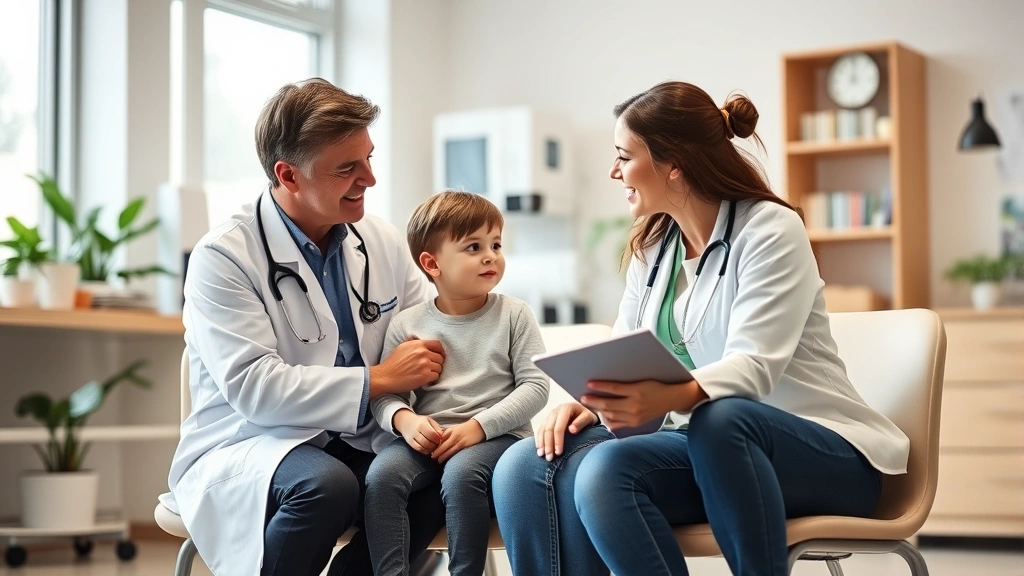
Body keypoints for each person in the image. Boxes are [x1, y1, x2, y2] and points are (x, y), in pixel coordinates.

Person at [492, 81, 910, 576]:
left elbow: (754, 368)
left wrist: (669, 396)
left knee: (717, 420)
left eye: (624, 156)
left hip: (819, 452)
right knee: (527, 467)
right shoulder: (652, 250)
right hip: (697, 447)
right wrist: (589, 403)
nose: (613, 171)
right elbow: (625, 359)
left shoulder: (769, 229)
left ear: (674, 164)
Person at [161, 78, 447, 576]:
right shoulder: (224, 256)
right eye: (347, 168)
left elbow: (428, 333)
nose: (370, 180)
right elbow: (256, 388)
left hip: (368, 433)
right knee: (326, 486)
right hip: (257, 440)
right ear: (288, 175)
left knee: (447, 479)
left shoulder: (378, 239)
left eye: (369, 159)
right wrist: (382, 378)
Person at [365, 190, 549, 576]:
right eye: (473, 247)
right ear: (432, 264)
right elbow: (385, 397)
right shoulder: (405, 324)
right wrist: (406, 420)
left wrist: (477, 428)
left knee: (462, 475)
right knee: (381, 478)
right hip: (432, 438)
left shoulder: (514, 315)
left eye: (496, 244)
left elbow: (535, 387)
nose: (490, 256)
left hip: (498, 437)